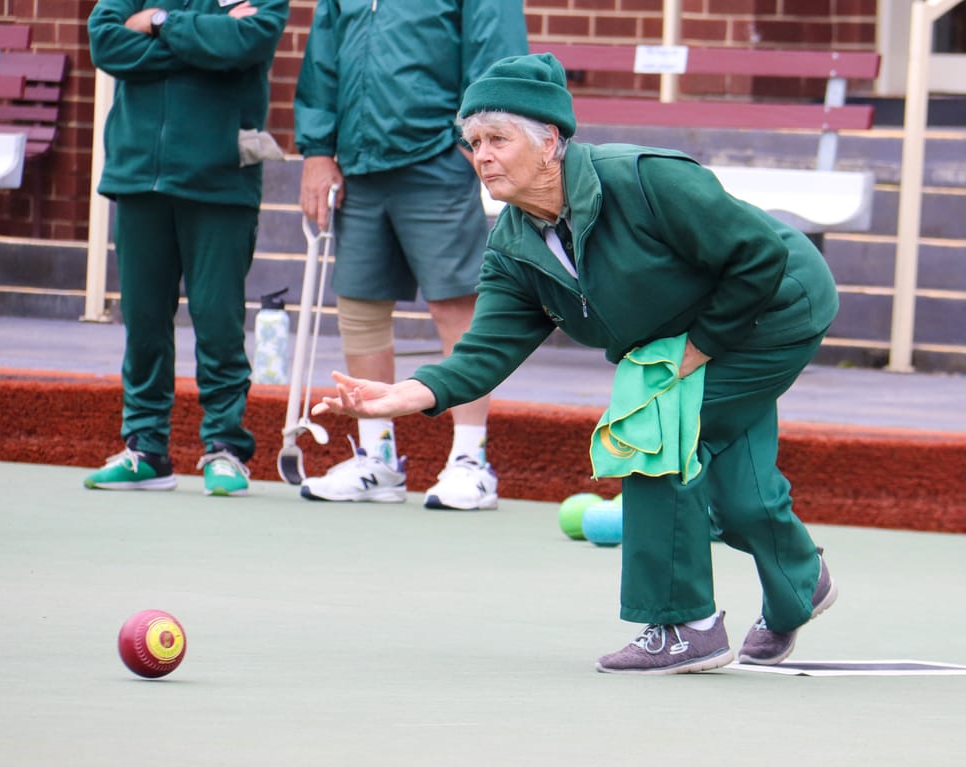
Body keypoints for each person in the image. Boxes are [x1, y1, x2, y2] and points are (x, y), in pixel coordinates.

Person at [310, 52, 841, 674]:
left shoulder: (645, 179)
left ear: (552, 142)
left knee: (652, 430)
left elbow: (755, 256)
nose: (482, 156)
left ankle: (684, 625)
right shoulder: (513, 247)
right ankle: (800, 583)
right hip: (689, 336)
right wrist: (410, 393)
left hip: (773, 312)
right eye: (472, 142)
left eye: (498, 140)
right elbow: (486, 351)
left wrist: (702, 346)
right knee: (741, 495)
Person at [292, 0, 528, 510]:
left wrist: (479, 141)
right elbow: (322, 60)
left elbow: (495, 52)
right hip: (357, 162)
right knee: (360, 302)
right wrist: (317, 150)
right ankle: (376, 459)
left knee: (455, 303)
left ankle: (471, 462)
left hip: (439, 157)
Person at [84, 0, 289, 496]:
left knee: (218, 319)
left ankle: (225, 448)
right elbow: (106, 43)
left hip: (220, 180)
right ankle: (146, 449)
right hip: (137, 177)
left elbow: (248, 43)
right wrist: (205, 42)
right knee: (144, 320)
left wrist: (157, 25)